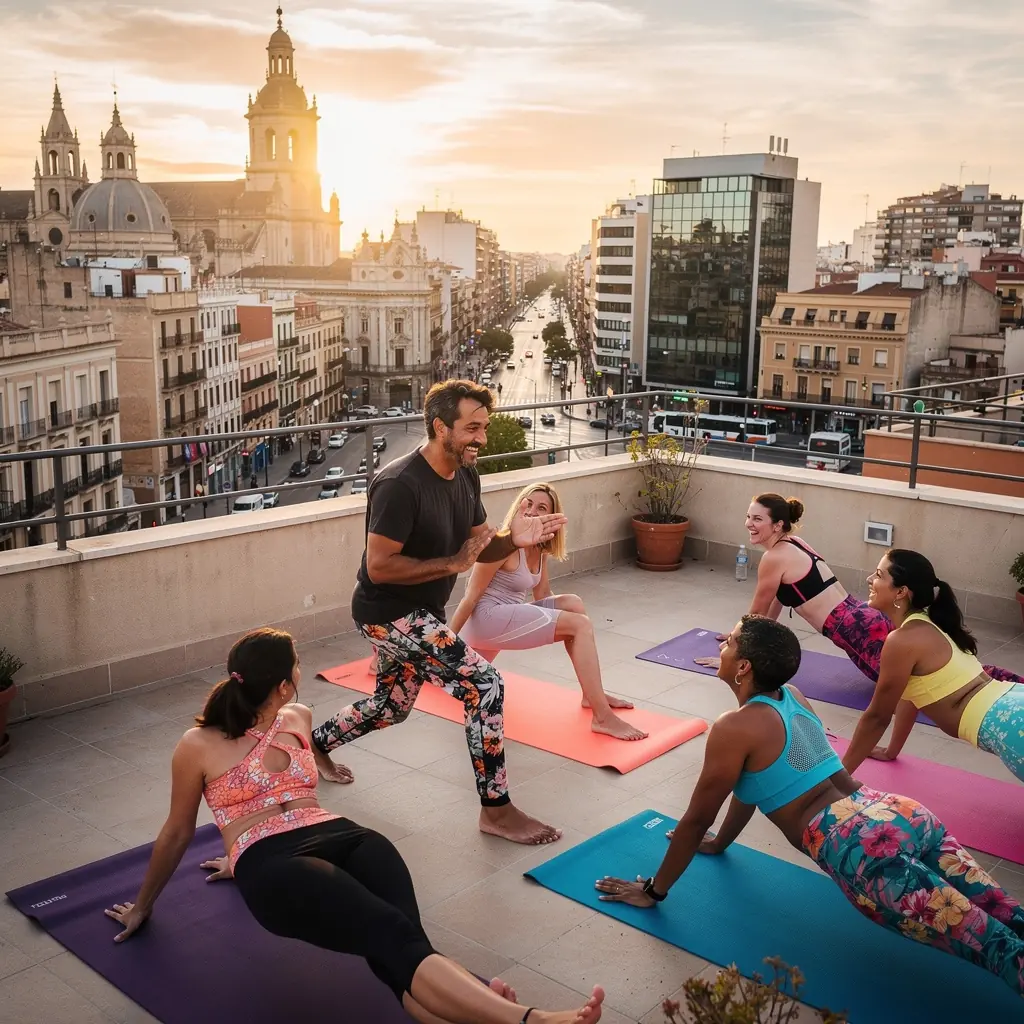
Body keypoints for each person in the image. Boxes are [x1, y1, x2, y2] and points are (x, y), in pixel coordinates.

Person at [103, 629, 605, 1024]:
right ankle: (531, 1020)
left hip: (344, 834)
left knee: (404, 945)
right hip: (273, 861)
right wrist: (146, 903)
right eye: (295, 667)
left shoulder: (298, 715)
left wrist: (326, 769)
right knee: (387, 931)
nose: (300, 673)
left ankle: (476, 1010)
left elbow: (312, 757)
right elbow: (177, 832)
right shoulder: (198, 744)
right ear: (280, 684)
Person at [595, 615, 1024, 998]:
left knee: (998, 950)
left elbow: (694, 819)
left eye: (731, 642)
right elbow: (753, 784)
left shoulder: (733, 728)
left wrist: (654, 891)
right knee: (1007, 913)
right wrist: (721, 842)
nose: (722, 644)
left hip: (863, 848)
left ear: (744, 667)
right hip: (897, 812)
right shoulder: (793, 696)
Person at [312, 380, 568, 846]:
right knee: (484, 684)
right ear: (439, 427)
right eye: (473, 428)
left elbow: (481, 544)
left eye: (484, 428)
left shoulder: (466, 473)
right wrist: (452, 564)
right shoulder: (398, 485)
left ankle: (316, 744)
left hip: (423, 611)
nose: (482, 439)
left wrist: (517, 540)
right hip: (385, 611)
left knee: (392, 707)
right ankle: (496, 810)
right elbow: (380, 566)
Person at [695, 493, 1021, 687]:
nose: (750, 524)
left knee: (936, 680)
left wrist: (731, 655)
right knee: (941, 672)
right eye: (747, 517)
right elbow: (775, 604)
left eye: (757, 519)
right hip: (861, 619)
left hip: (856, 630)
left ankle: (1009, 687)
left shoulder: (774, 557)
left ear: (777, 525)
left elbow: (755, 614)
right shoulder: (794, 543)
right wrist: (738, 638)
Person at [449, 482, 646, 741]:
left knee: (574, 604)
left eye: (542, 508)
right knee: (579, 625)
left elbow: (542, 596)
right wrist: (443, 649)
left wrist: (565, 616)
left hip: (506, 617)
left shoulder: (538, 548)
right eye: (528, 503)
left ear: (551, 517)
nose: (532, 511)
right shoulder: (501, 544)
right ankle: (602, 717)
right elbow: (469, 599)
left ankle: (591, 694)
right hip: (484, 621)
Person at [841, 549, 1024, 782]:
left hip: (1008, 724)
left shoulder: (902, 640)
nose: (870, 580)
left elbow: (877, 717)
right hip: (1012, 703)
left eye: (878, 575)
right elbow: (910, 694)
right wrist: (891, 751)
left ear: (901, 592)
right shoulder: (929, 621)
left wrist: (839, 779)